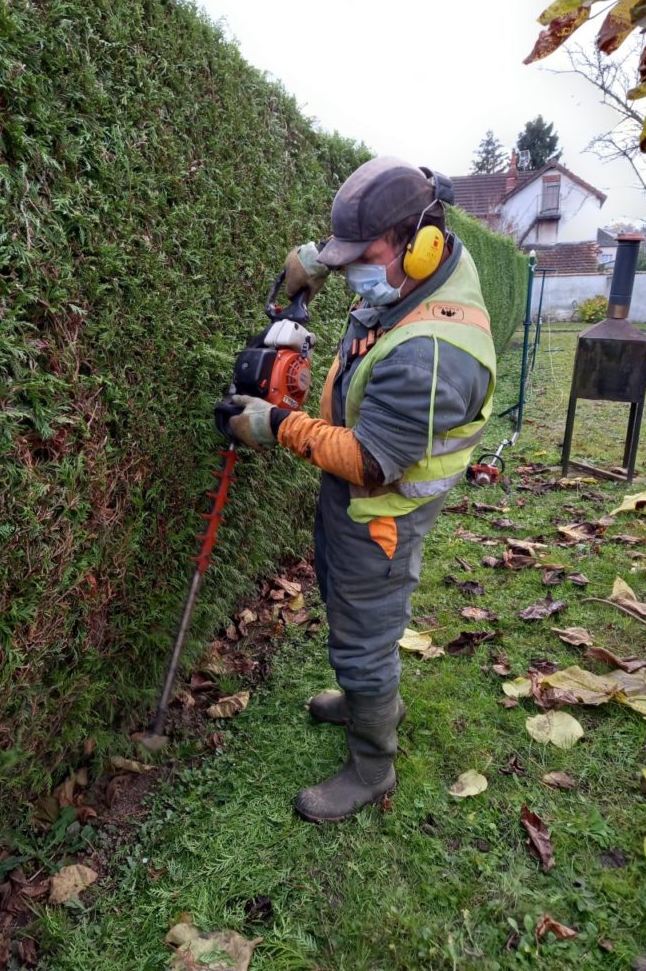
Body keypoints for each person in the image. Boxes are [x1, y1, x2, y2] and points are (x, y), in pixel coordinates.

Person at [227, 156, 497, 823]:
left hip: (382, 510)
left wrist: (277, 424)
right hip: (356, 501)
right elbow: (370, 239)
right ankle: (365, 693)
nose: (350, 272)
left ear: (418, 239)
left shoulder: (432, 355)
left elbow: (373, 462)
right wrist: (318, 259)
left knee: (364, 636)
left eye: (359, 258)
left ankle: (372, 764)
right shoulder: (419, 264)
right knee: (348, 609)